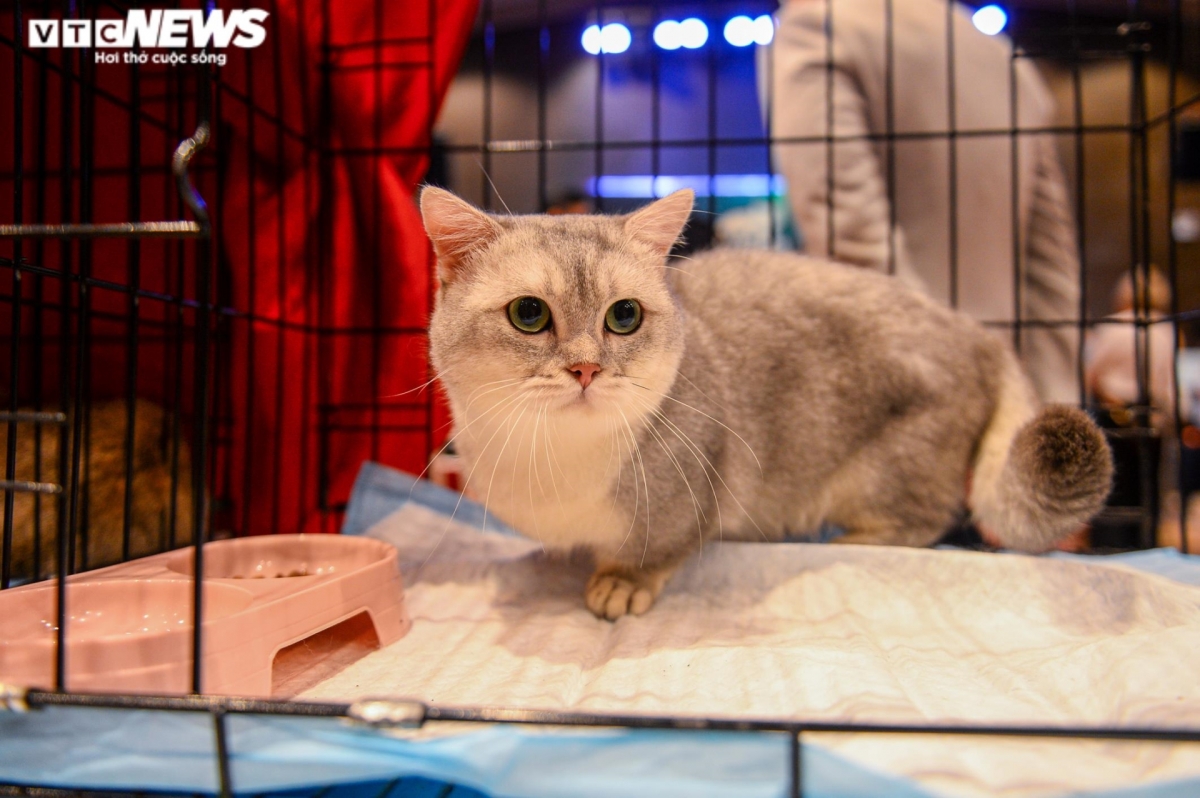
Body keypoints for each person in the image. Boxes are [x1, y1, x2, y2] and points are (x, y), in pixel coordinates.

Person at [770, 0, 1081, 403]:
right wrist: (1051, 407)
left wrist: (941, 391)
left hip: (904, 395)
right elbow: (1052, 268)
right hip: (1006, 391)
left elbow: (849, 234)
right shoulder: (1000, 52)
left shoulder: (816, 26)